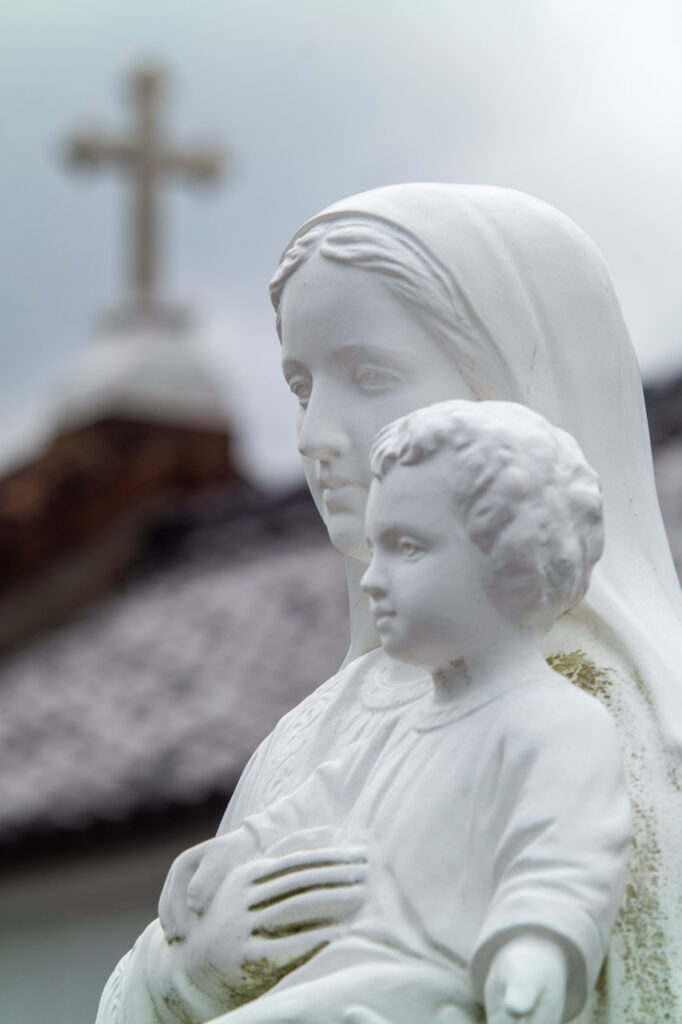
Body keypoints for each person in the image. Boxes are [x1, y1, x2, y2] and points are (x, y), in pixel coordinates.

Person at [96, 185, 682, 1024]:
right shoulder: (314, 733)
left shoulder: (612, 716)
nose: (313, 434)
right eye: (300, 386)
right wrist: (181, 969)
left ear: (515, 380)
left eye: (368, 374)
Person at [154, 400, 631, 1024]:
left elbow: (564, 861)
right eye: (375, 551)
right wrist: (233, 851)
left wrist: (534, 953)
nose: (372, 580)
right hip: (342, 978)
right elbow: (319, 802)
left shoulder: (557, 724)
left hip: (419, 989)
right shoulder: (401, 727)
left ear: (511, 554)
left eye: (407, 548)